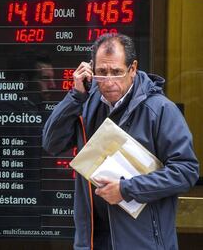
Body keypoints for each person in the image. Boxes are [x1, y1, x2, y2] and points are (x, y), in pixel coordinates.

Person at [42, 33, 199, 250]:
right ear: (91, 70)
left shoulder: (160, 110)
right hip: (92, 239)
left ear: (132, 69)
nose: (108, 81)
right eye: (101, 73)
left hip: (143, 242)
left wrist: (127, 189)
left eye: (116, 72)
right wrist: (76, 96)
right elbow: (52, 143)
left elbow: (186, 171)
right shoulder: (86, 104)